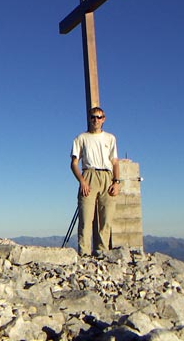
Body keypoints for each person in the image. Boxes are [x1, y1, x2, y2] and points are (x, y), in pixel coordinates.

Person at [70, 106, 120, 256]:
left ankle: (102, 252)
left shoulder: (110, 138)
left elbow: (115, 162)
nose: (96, 120)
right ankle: (84, 253)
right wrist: (82, 181)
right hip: (89, 175)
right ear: (89, 118)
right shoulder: (81, 138)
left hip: (107, 176)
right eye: (93, 117)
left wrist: (116, 182)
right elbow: (74, 163)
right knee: (86, 218)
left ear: (103, 119)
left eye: (99, 117)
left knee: (106, 218)